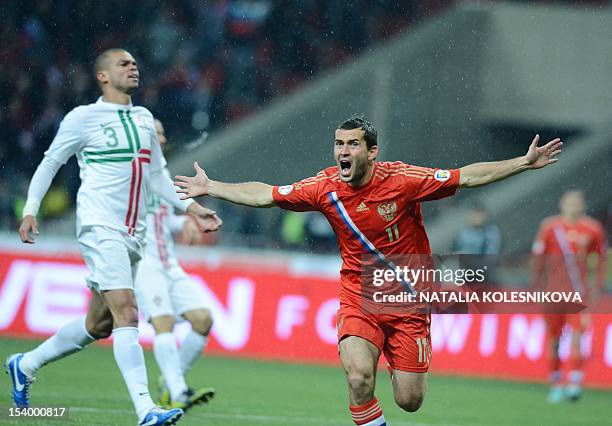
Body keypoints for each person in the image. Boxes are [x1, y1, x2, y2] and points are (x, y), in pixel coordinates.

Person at [175, 115, 562, 425]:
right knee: (358, 376)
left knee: (409, 400)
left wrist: (523, 164)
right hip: (360, 294)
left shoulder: (403, 180)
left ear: (372, 151)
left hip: (410, 299)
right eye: (338, 144)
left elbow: (467, 176)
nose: (342, 151)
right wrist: (212, 187)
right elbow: (267, 195)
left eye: (352, 144)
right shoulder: (324, 187)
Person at [5, 48, 222, 426]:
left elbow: (157, 176)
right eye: (123, 63)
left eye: (135, 63)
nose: (133, 67)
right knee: (128, 311)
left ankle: (25, 363)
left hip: (134, 234)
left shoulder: (143, 119)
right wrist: (30, 209)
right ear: (102, 76)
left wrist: (189, 207)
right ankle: (145, 409)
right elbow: (51, 161)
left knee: (99, 325)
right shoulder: (84, 118)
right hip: (99, 225)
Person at [134, 119, 215, 411]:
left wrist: (184, 222)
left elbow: (161, 218)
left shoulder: (161, 174)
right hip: (143, 263)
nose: (163, 137)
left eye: (163, 132)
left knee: (203, 319)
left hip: (168, 263)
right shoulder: (129, 173)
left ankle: (171, 382)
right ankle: (179, 392)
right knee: (163, 322)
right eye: (157, 133)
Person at [532, 189, 607, 403]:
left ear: (583, 205)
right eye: (569, 202)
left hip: (578, 294)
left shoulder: (593, 229)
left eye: (577, 203)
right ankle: (555, 383)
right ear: (562, 204)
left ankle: (574, 382)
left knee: (577, 337)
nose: (573, 206)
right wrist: (537, 286)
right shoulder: (550, 227)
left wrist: (597, 288)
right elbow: (538, 258)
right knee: (554, 341)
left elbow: (600, 261)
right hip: (553, 294)